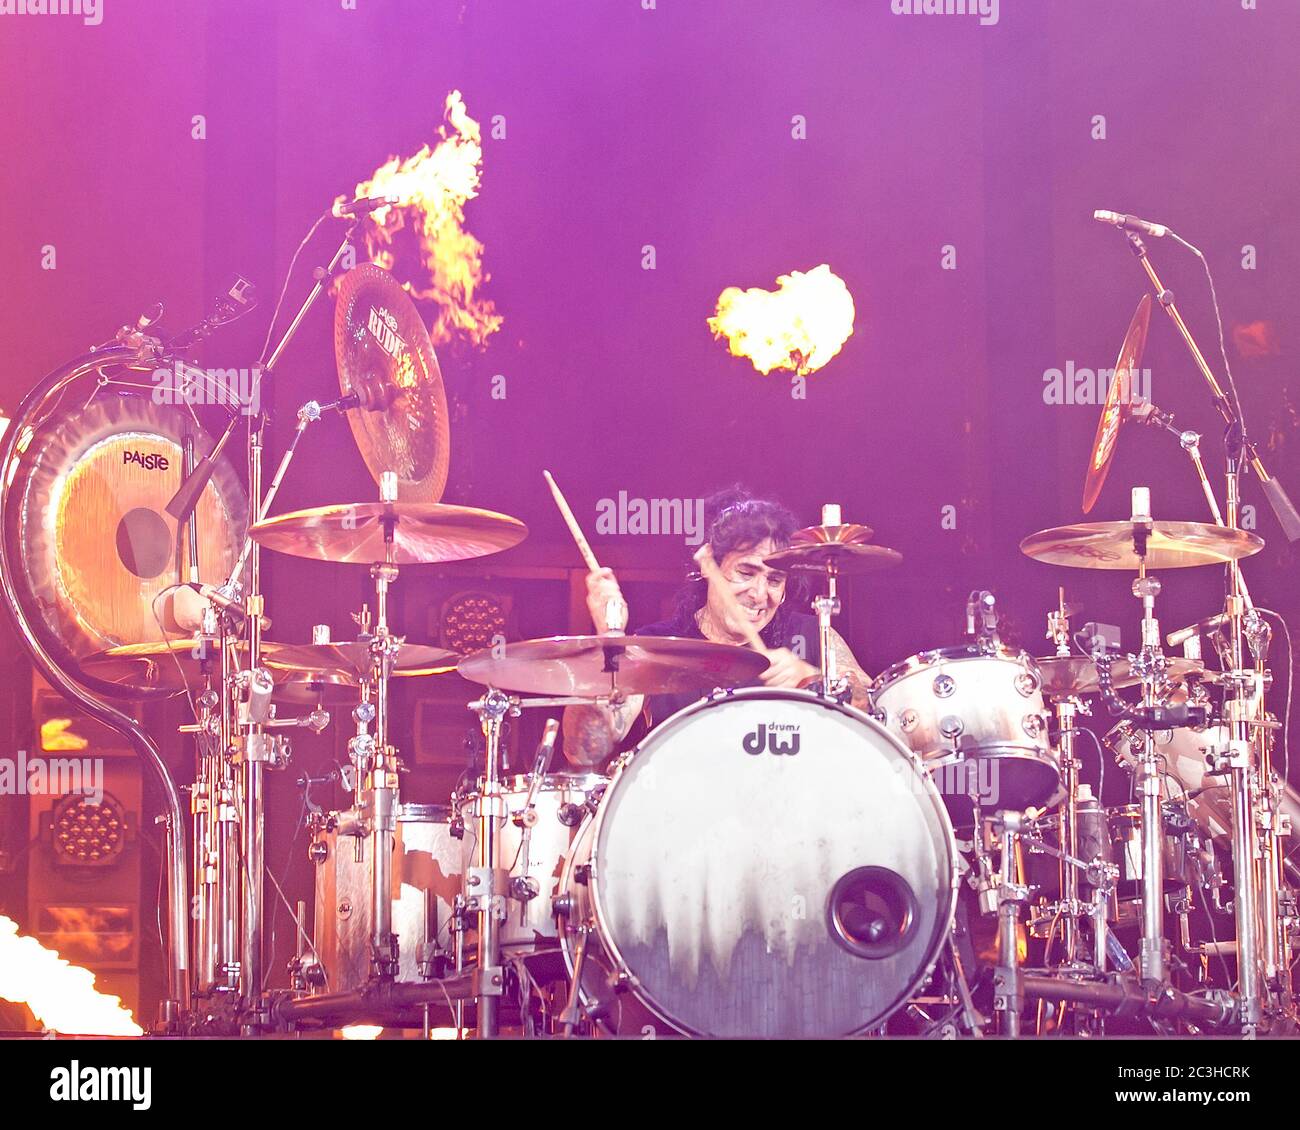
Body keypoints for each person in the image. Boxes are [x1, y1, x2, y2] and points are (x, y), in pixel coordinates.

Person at [561, 487, 872, 767]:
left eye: (774, 580)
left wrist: (814, 679)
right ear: (710, 565)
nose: (759, 594)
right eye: (745, 573)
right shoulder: (654, 649)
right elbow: (584, 750)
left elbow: (877, 712)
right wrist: (609, 638)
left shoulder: (813, 636)